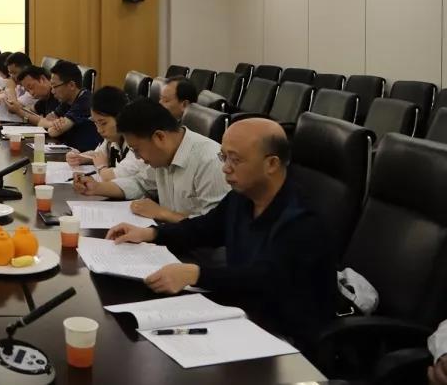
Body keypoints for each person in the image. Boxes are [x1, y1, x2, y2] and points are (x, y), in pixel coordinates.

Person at [106, 118, 336, 348]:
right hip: (242, 311)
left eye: (235, 159)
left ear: (272, 164)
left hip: (286, 335)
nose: (225, 168)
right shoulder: (243, 195)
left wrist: (196, 274)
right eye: (223, 157)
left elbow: (265, 278)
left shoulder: (303, 219)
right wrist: (151, 234)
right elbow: (204, 228)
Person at [74, 98, 229, 222]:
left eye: (137, 149)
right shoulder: (163, 154)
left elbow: (216, 227)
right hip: (171, 236)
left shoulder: (210, 161)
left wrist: (162, 213)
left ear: (159, 137)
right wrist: (97, 188)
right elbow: (141, 184)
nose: (137, 157)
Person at [66, 86, 148, 181]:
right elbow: (99, 154)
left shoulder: (137, 142)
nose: (99, 130)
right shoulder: (113, 138)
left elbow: (111, 176)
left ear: (121, 116)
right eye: (96, 123)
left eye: (103, 123)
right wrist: (81, 157)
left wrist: (101, 167)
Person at [33, 60, 101, 151]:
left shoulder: (85, 101)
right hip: (70, 150)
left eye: (55, 86)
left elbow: (53, 132)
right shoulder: (67, 100)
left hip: (85, 154)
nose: (52, 91)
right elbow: (41, 122)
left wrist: (53, 125)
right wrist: (55, 123)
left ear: (71, 85)